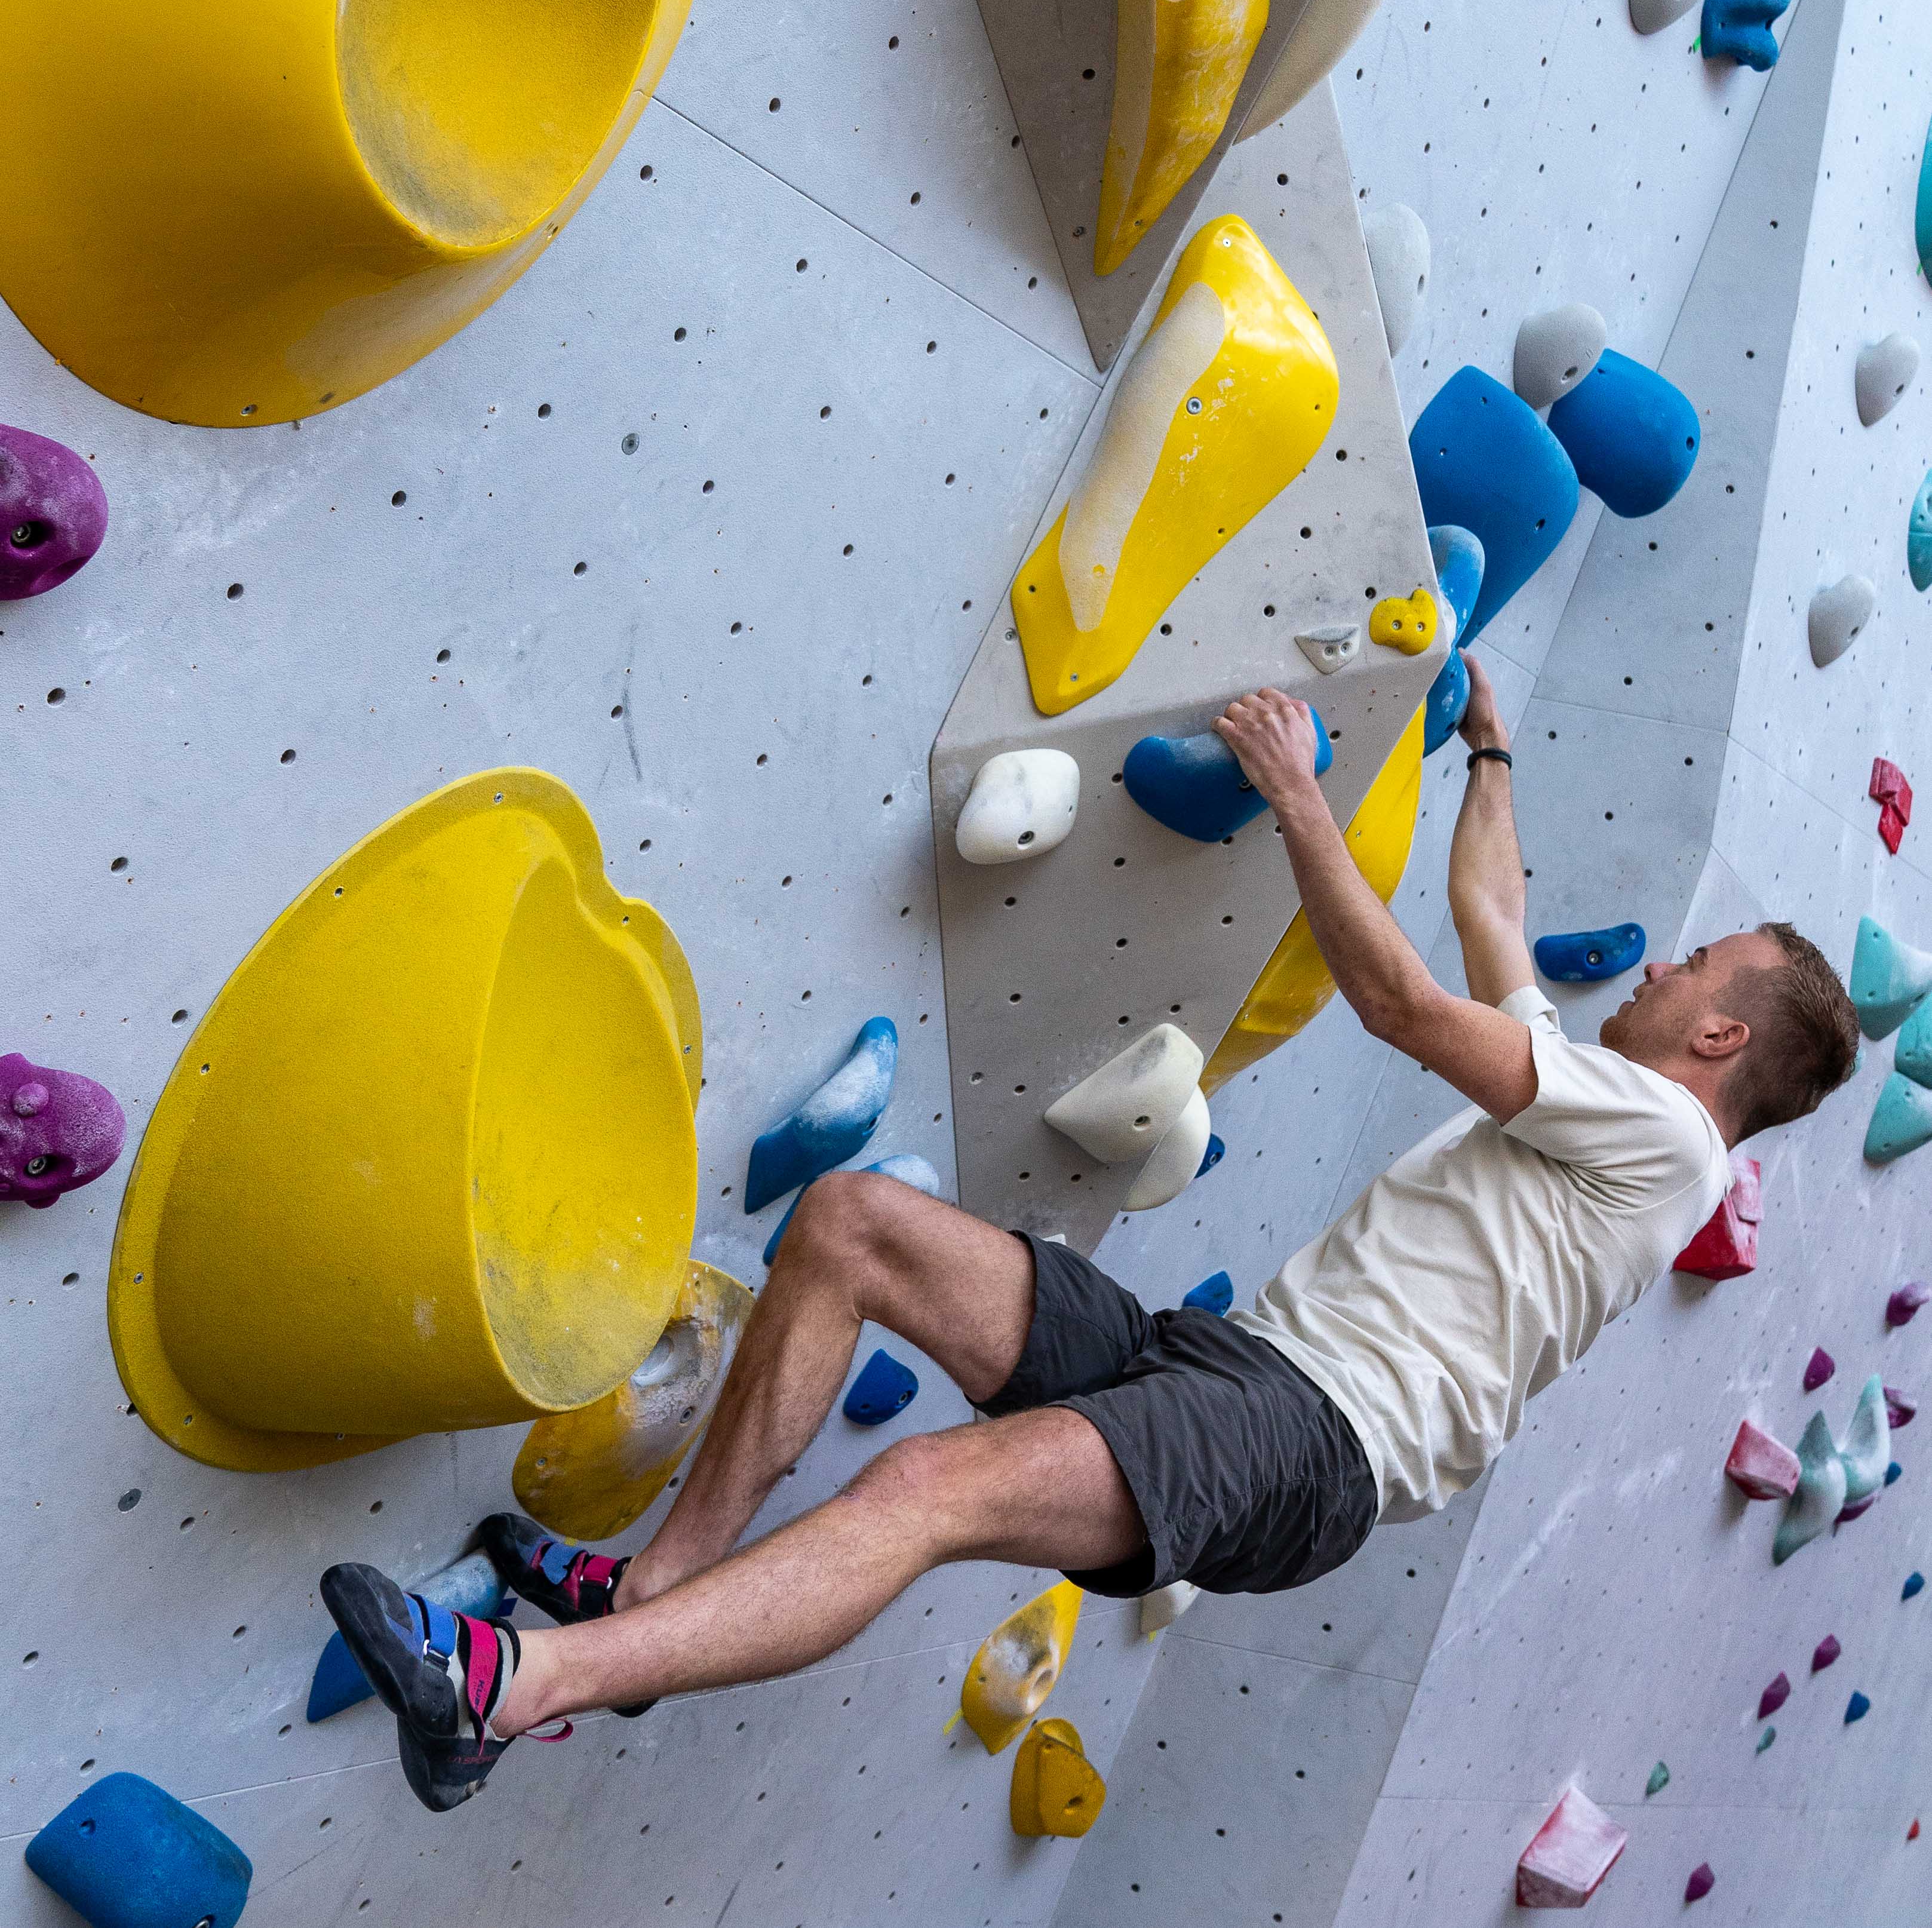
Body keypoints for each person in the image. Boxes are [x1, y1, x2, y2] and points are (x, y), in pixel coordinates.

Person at [322, 657, 1860, 1812]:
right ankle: (657, 1602)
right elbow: (1498, 928)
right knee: (855, 1227)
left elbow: (1405, 1005)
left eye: (1693, 965)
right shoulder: (1604, 1102)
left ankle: (508, 1695)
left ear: (1719, 1035)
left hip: (1312, 1441)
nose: (1657, 962)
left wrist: (1297, 797)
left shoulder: (1662, 1136)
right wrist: (1490, 745)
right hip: (1236, 1365)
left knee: (926, 1486)